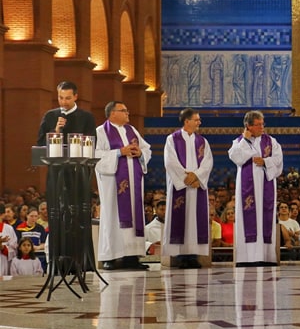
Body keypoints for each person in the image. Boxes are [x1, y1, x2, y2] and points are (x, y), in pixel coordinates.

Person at [95, 101, 151, 271]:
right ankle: (110, 257)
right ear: (112, 113)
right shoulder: (100, 131)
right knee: (113, 217)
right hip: (113, 185)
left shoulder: (131, 130)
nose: (128, 113)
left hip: (134, 183)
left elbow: (146, 148)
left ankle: (132, 256)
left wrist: (140, 153)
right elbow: (95, 155)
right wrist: (119, 152)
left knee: (134, 215)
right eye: (123, 110)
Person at [228, 111, 283, 267]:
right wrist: (245, 139)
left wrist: (265, 161)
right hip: (247, 188)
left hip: (266, 185)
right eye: (258, 124)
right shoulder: (239, 141)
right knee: (248, 217)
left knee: (265, 218)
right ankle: (246, 258)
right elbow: (235, 157)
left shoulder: (271, 141)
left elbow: (279, 160)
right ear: (248, 126)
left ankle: (266, 256)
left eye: (262, 124)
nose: (262, 127)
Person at [162, 108, 214, 269]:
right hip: (180, 187)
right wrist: (187, 179)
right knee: (181, 219)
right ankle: (181, 256)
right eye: (196, 120)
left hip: (197, 188)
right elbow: (170, 162)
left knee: (195, 221)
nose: (199, 122)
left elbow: (208, 162)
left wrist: (197, 176)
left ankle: (193, 256)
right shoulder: (172, 139)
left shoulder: (202, 141)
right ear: (186, 121)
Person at [36, 81, 97, 146]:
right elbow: (40, 143)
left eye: (68, 98)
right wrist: (55, 132)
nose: (64, 102)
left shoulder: (87, 117)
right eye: (61, 98)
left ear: (75, 97)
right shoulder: (49, 115)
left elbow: (91, 144)